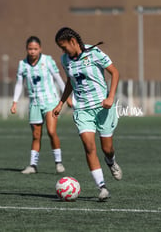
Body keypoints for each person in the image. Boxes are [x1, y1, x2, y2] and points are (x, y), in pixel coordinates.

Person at [52, 27, 122, 201]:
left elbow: (114, 72)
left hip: (102, 107)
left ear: (73, 42)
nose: (63, 51)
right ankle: (102, 187)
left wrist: (111, 97)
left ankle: (111, 161)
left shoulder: (94, 52)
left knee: (107, 149)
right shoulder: (64, 59)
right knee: (89, 146)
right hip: (82, 109)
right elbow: (70, 81)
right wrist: (61, 103)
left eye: (64, 47)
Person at [10, 36, 70, 174]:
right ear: (26, 49)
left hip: (50, 101)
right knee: (36, 135)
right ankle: (33, 165)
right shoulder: (22, 64)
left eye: (35, 49)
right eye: (30, 49)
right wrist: (15, 102)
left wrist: (66, 98)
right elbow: (19, 83)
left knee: (51, 131)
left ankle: (58, 162)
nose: (32, 51)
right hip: (35, 103)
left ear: (40, 49)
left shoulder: (47, 60)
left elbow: (58, 79)